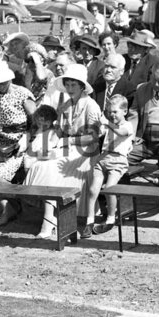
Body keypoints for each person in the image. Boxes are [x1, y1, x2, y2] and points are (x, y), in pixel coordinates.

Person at [25, 64, 101, 240]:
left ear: (82, 87)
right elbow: (59, 131)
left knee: (50, 168)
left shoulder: (91, 106)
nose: (70, 88)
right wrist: (50, 145)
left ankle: (49, 222)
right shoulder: (65, 105)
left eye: (74, 85)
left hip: (86, 152)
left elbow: (93, 138)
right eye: (67, 84)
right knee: (40, 164)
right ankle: (50, 218)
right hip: (67, 148)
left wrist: (68, 141)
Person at [0, 64, 36, 226]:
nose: (0, 86)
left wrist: (28, 136)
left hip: (22, 141)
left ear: (10, 80)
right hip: (3, 141)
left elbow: (36, 119)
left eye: (3, 82)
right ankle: (8, 207)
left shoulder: (22, 94)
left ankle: (17, 203)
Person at [86, 95, 135, 236]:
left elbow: (120, 132)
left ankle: (110, 219)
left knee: (109, 188)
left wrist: (106, 122)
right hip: (103, 159)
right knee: (93, 189)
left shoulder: (127, 125)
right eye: (109, 112)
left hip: (118, 161)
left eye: (115, 112)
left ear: (124, 111)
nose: (112, 115)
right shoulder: (108, 125)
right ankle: (90, 220)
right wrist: (96, 125)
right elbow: (99, 133)